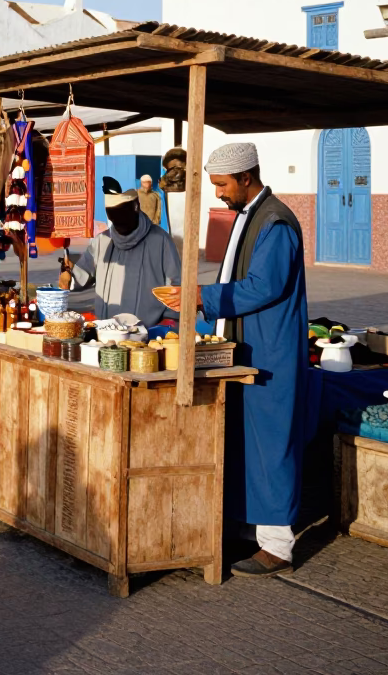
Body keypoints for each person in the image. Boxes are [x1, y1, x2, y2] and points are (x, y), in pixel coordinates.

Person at [159, 142, 307, 578]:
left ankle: (278, 544)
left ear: (246, 178)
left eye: (223, 185)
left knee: (271, 443)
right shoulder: (248, 215)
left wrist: (200, 297)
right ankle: (249, 527)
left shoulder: (275, 222)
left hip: (271, 348)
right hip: (244, 342)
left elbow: (264, 286)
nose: (219, 193)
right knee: (244, 439)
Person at [25, 176, 180, 327]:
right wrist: (69, 275)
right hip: (107, 333)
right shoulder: (102, 241)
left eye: (122, 217)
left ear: (135, 208)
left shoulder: (160, 240)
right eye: (115, 219)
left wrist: (169, 321)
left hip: (148, 337)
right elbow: (82, 274)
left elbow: (176, 285)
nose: (120, 226)